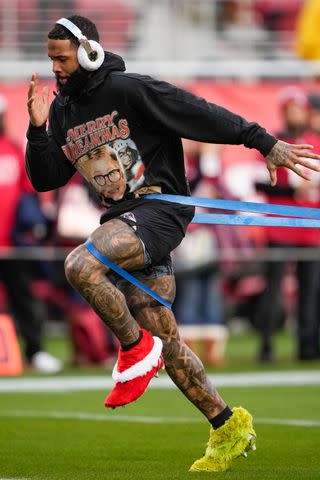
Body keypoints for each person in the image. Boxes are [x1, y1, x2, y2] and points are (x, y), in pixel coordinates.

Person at [25, 15, 320, 472]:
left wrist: (262, 141)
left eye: (61, 58)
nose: (55, 68)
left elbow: (196, 112)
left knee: (81, 265)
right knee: (169, 342)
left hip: (158, 213)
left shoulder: (128, 90)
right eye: (50, 59)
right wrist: (36, 130)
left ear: (87, 52)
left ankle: (133, 349)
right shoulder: (63, 112)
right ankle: (227, 425)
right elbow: (46, 179)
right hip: (122, 224)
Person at [255, 86, 320, 362]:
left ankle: (306, 346)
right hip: (280, 227)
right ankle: (267, 345)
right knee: (273, 289)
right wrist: (291, 193)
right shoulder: (273, 143)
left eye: (299, 109)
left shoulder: (315, 142)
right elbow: (258, 182)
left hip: (311, 230)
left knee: (310, 292)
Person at [0, 94, 62, 373]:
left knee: (24, 299)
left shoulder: (13, 150)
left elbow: (29, 194)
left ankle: (35, 351)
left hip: (13, 245)